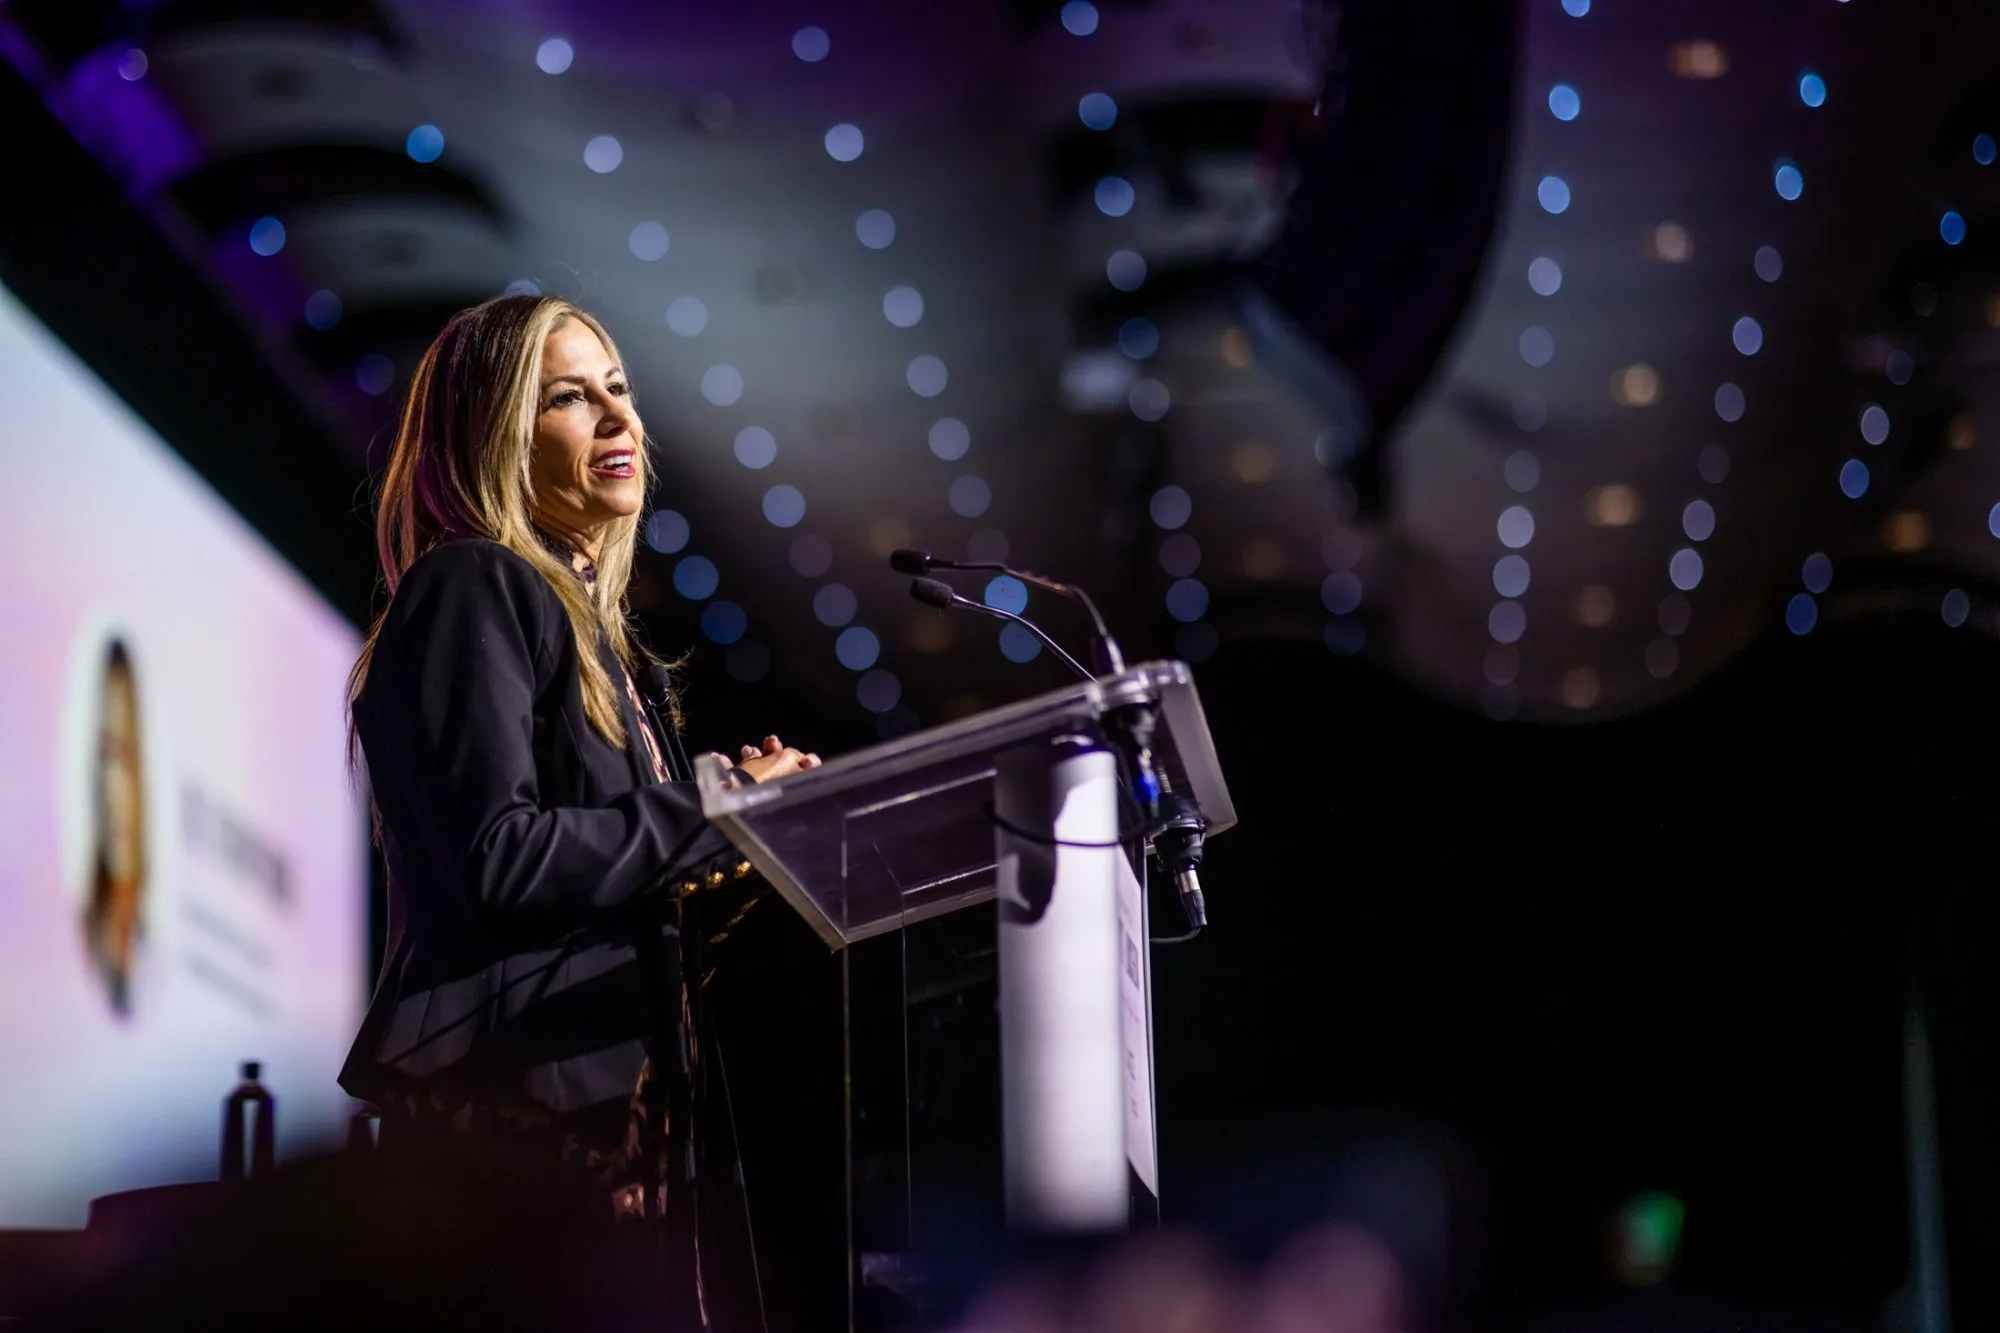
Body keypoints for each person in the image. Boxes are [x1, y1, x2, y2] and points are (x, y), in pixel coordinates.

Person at [339, 293, 818, 1327]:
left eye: (619, 390)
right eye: (568, 396)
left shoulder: (614, 646)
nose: (616, 419)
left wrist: (742, 842)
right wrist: (717, 808)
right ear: (495, 434)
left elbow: (611, 896)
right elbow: (497, 858)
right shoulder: (474, 584)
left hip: (612, 1129)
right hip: (508, 1141)